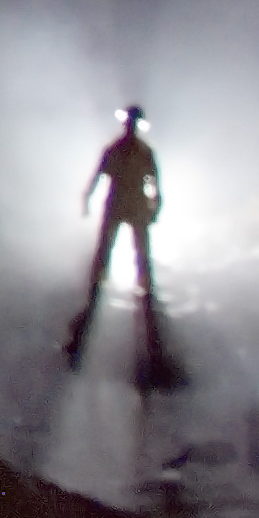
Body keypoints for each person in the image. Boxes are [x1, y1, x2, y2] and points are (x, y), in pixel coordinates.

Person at [66, 105, 162, 364]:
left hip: (121, 203)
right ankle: (138, 286)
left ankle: (111, 284)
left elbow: (101, 176)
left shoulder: (124, 150)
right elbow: (154, 183)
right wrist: (155, 205)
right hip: (128, 204)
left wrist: (88, 198)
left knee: (122, 249)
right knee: (126, 249)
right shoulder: (137, 151)